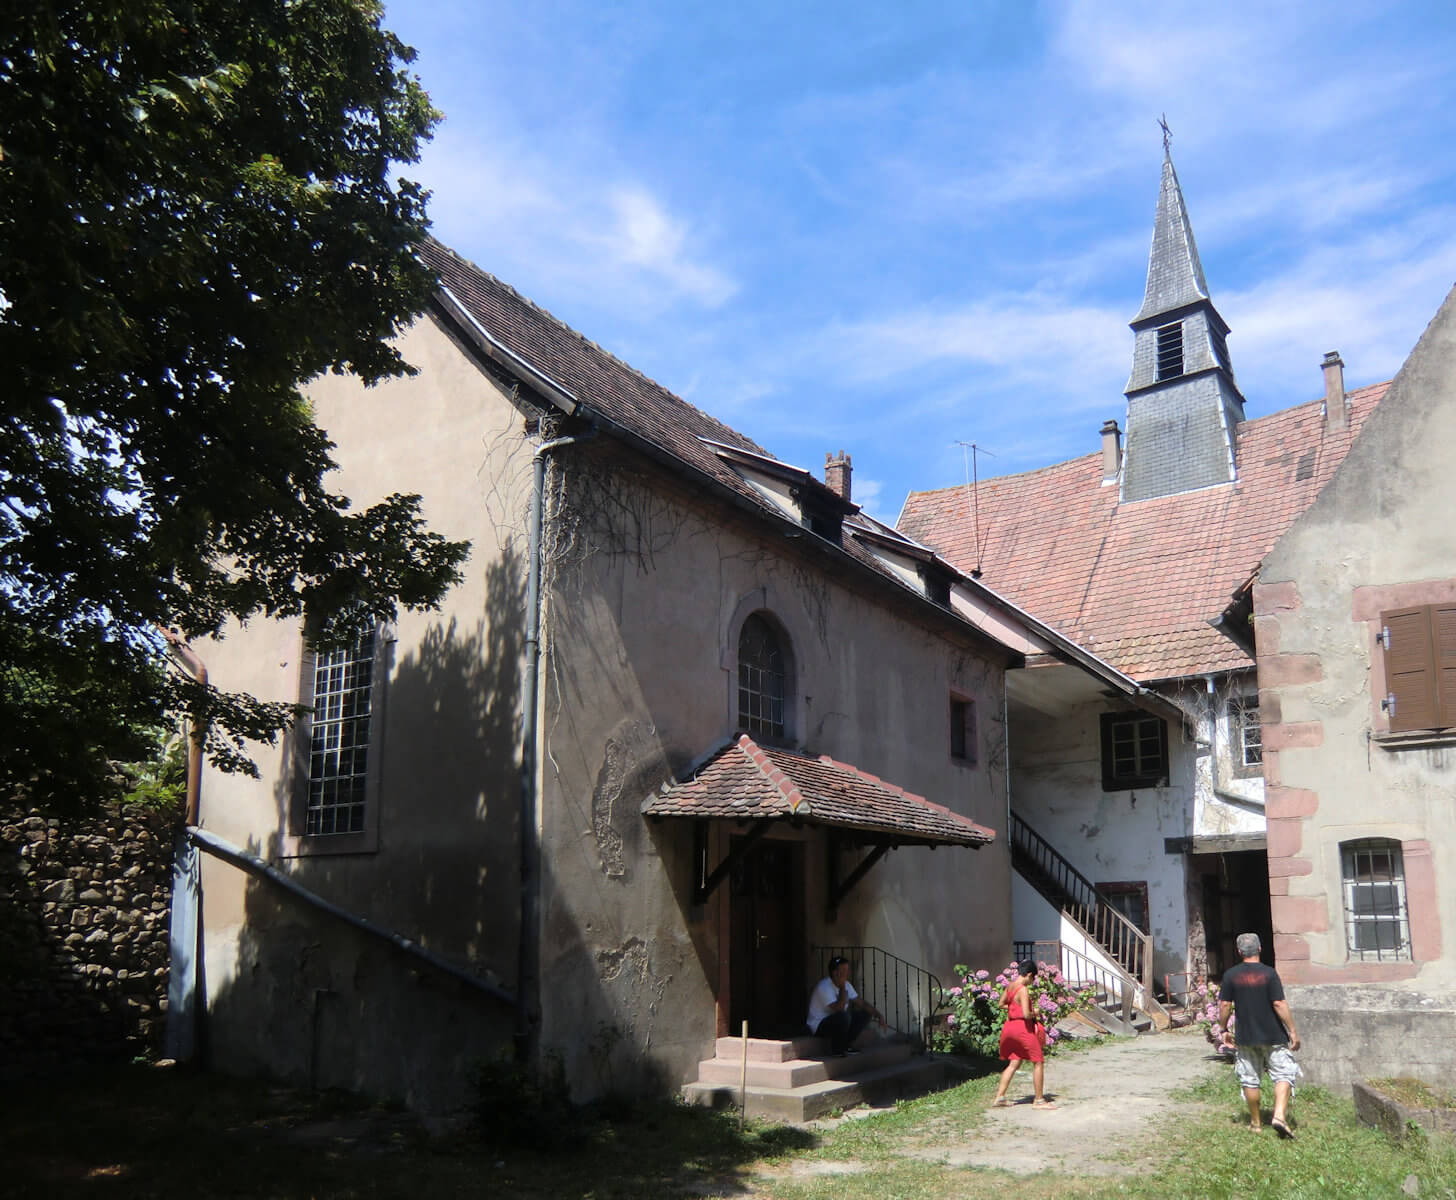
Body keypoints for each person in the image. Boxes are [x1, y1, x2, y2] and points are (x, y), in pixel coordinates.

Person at [1216, 932, 1302, 1138]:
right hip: (1273, 1034)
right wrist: (1292, 1030)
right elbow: (1279, 1003)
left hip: (1246, 1036)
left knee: (1249, 1078)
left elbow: (1225, 1004)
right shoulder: (1269, 974)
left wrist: (1223, 1029)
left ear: (1239, 952)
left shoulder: (1231, 975)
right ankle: (1279, 1115)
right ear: (1260, 949)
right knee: (1284, 1073)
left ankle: (1255, 1123)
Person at [991, 959, 1056, 1109]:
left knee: (1014, 1062)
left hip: (1010, 1027)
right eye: (1033, 978)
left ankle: (1000, 1097)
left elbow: (1001, 1004)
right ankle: (1039, 1101)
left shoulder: (1010, 986)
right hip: (1022, 1028)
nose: (1032, 981)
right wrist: (1036, 1012)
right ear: (1028, 974)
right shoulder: (1023, 989)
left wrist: (1014, 1007)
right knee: (1038, 1061)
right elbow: (1027, 1014)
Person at [807, 956, 886, 1055]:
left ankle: (846, 1045)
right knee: (843, 1016)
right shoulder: (824, 987)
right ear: (835, 973)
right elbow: (839, 1008)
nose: (848, 972)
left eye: (848, 969)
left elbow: (861, 1003)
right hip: (818, 1025)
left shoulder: (847, 984)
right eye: (844, 970)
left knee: (865, 1014)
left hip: (836, 1021)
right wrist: (842, 986)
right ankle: (837, 1050)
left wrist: (878, 1015)